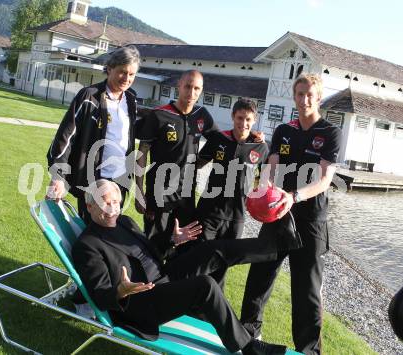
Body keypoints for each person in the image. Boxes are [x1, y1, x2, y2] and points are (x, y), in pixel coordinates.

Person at [72, 179, 301, 354]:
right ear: (90, 206)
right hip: (141, 301)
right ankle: (249, 346)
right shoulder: (87, 245)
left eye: (115, 202)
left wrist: (172, 240)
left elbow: (148, 252)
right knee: (206, 286)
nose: (112, 208)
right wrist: (121, 290)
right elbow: (100, 296)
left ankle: (276, 246)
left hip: (162, 277)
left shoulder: (124, 221)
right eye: (105, 203)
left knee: (210, 250)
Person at [240, 73, 343, 355]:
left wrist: (293, 196)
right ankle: (247, 338)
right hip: (278, 217)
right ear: (294, 96)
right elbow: (270, 169)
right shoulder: (284, 131)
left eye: (310, 94)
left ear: (318, 97)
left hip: (311, 222)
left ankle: (308, 351)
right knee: (259, 277)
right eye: (299, 94)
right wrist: (264, 190)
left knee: (306, 293)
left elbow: (324, 179)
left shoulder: (330, 133)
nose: (304, 99)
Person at [46, 46, 141, 223]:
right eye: (122, 72)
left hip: (120, 180)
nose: (127, 78)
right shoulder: (90, 97)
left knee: (111, 232)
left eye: (132, 74)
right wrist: (58, 176)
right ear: (110, 68)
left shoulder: (131, 99)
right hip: (93, 180)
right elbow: (65, 137)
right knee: (91, 231)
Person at [134, 70, 219, 258]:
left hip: (186, 195)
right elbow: (142, 154)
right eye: (188, 86)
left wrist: (199, 163)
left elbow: (218, 141)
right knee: (155, 248)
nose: (191, 92)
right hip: (159, 195)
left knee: (182, 248)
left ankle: (171, 285)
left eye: (197, 88)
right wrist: (139, 192)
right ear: (178, 86)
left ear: (201, 91)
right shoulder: (159, 115)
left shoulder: (202, 115)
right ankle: (151, 285)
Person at [196, 98, 269, 288]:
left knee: (222, 265)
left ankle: (212, 307)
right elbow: (196, 164)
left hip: (236, 216)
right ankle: (191, 303)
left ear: (254, 120)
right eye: (239, 118)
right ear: (232, 116)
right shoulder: (219, 139)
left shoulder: (260, 147)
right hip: (209, 212)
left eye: (248, 119)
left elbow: (266, 180)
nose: (243, 124)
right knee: (201, 260)